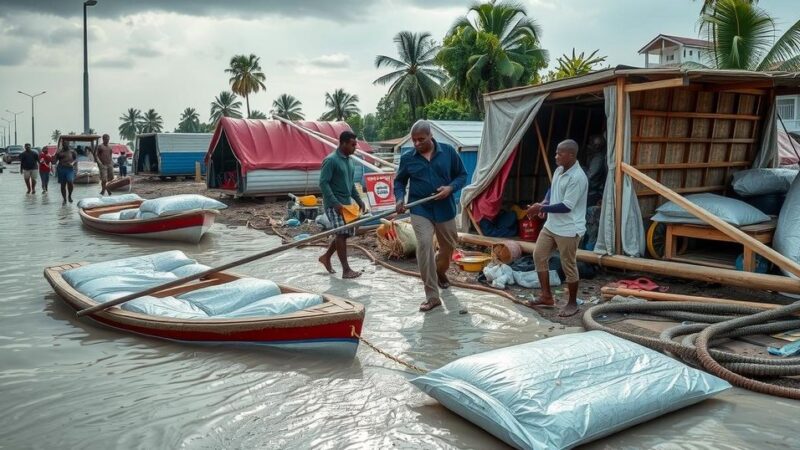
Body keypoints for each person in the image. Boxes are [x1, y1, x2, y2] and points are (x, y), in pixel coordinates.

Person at [394, 120, 467, 312]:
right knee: (424, 245)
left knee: (448, 247)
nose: (417, 144)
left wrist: (450, 188)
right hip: (420, 209)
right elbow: (399, 182)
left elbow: (462, 175)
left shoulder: (449, 152)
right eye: (414, 140)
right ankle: (432, 296)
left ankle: (440, 271)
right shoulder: (408, 158)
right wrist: (400, 199)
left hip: (445, 209)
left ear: (430, 135)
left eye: (421, 139)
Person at [525, 139, 589, 317]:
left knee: (568, 265)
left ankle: (572, 302)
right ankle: (546, 296)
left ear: (571, 155)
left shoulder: (578, 177)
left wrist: (541, 208)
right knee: (539, 255)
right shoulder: (560, 170)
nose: (556, 156)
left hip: (569, 228)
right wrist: (544, 203)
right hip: (552, 225)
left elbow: (567, 206)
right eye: (556, 153)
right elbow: (552, 189)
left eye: (559, 154)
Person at [318, 131, 366, 279]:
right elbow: (323, 183)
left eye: (355, 144)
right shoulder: (331, 160)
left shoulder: (350, 161)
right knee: (341, 234)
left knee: (345, 234)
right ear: (343, 143)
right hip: (334, 204)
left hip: (346, 204)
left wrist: (359, 200)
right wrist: (335, 203)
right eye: (352, 144)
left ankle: (326, 257)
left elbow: (351, 185)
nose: (355, 147)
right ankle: (346, 270)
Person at [583, 135, 607, 206]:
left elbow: (589, 176)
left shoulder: (598, 159)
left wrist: (582, 170)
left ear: (596, 146)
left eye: (591, 144)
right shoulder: (594, 157)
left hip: (595, 192)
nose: (588, 146)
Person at [55, 141, 78, 205]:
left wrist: (72, 164)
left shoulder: (72, 152)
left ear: (68, 144)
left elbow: (76, 160)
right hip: (61, 169)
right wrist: (56, 154)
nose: (65, 146)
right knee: (63, 185)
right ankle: (64, 199)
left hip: (70, 169)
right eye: (64, 144)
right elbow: (54, 161)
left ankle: (69, 195)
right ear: (62, 145)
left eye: (66, 144)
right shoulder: (60, 152)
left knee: (70, 181)